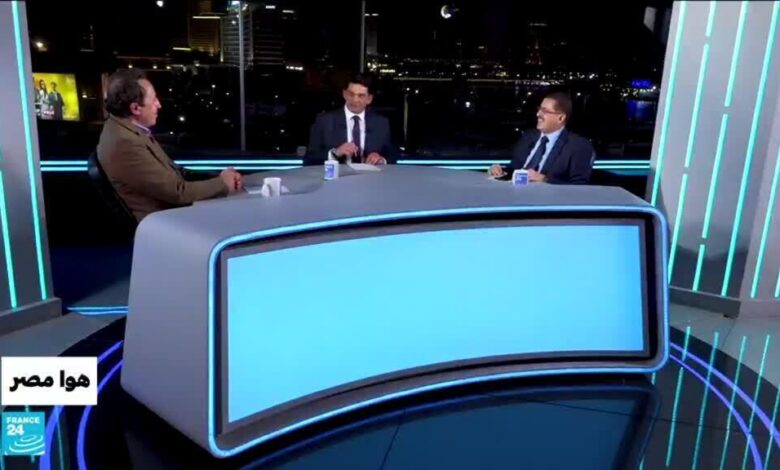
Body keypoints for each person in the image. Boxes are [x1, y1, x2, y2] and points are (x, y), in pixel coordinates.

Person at [97, 69, 243, 222]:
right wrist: (223, 184)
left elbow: (175, 174)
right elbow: (178, 193)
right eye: (154, 100)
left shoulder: (125, 129)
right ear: (135, 108)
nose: (159, 105)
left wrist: (218, 178)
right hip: (165, 222)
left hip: (172, 213)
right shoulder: (125, 144)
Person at [489, 91, 594, 184]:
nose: (538, 114)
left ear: (561, 118)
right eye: (539, 109)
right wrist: (501, 170)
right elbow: (515, 169)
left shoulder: (578, 145)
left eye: (545, 111)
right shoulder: (528, 137)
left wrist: (545, 180)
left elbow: (579, 186)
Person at [304, 73, 396, 166]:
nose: (355, 100)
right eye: (351, 94)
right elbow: (309, 159)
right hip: (337, 174)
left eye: (361, 96)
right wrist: (334, 153)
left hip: (371, 174)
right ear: (344, 94)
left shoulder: (381, 123)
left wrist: (381, 159)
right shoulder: (324, 121)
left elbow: (393, 156)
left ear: (369, 99)